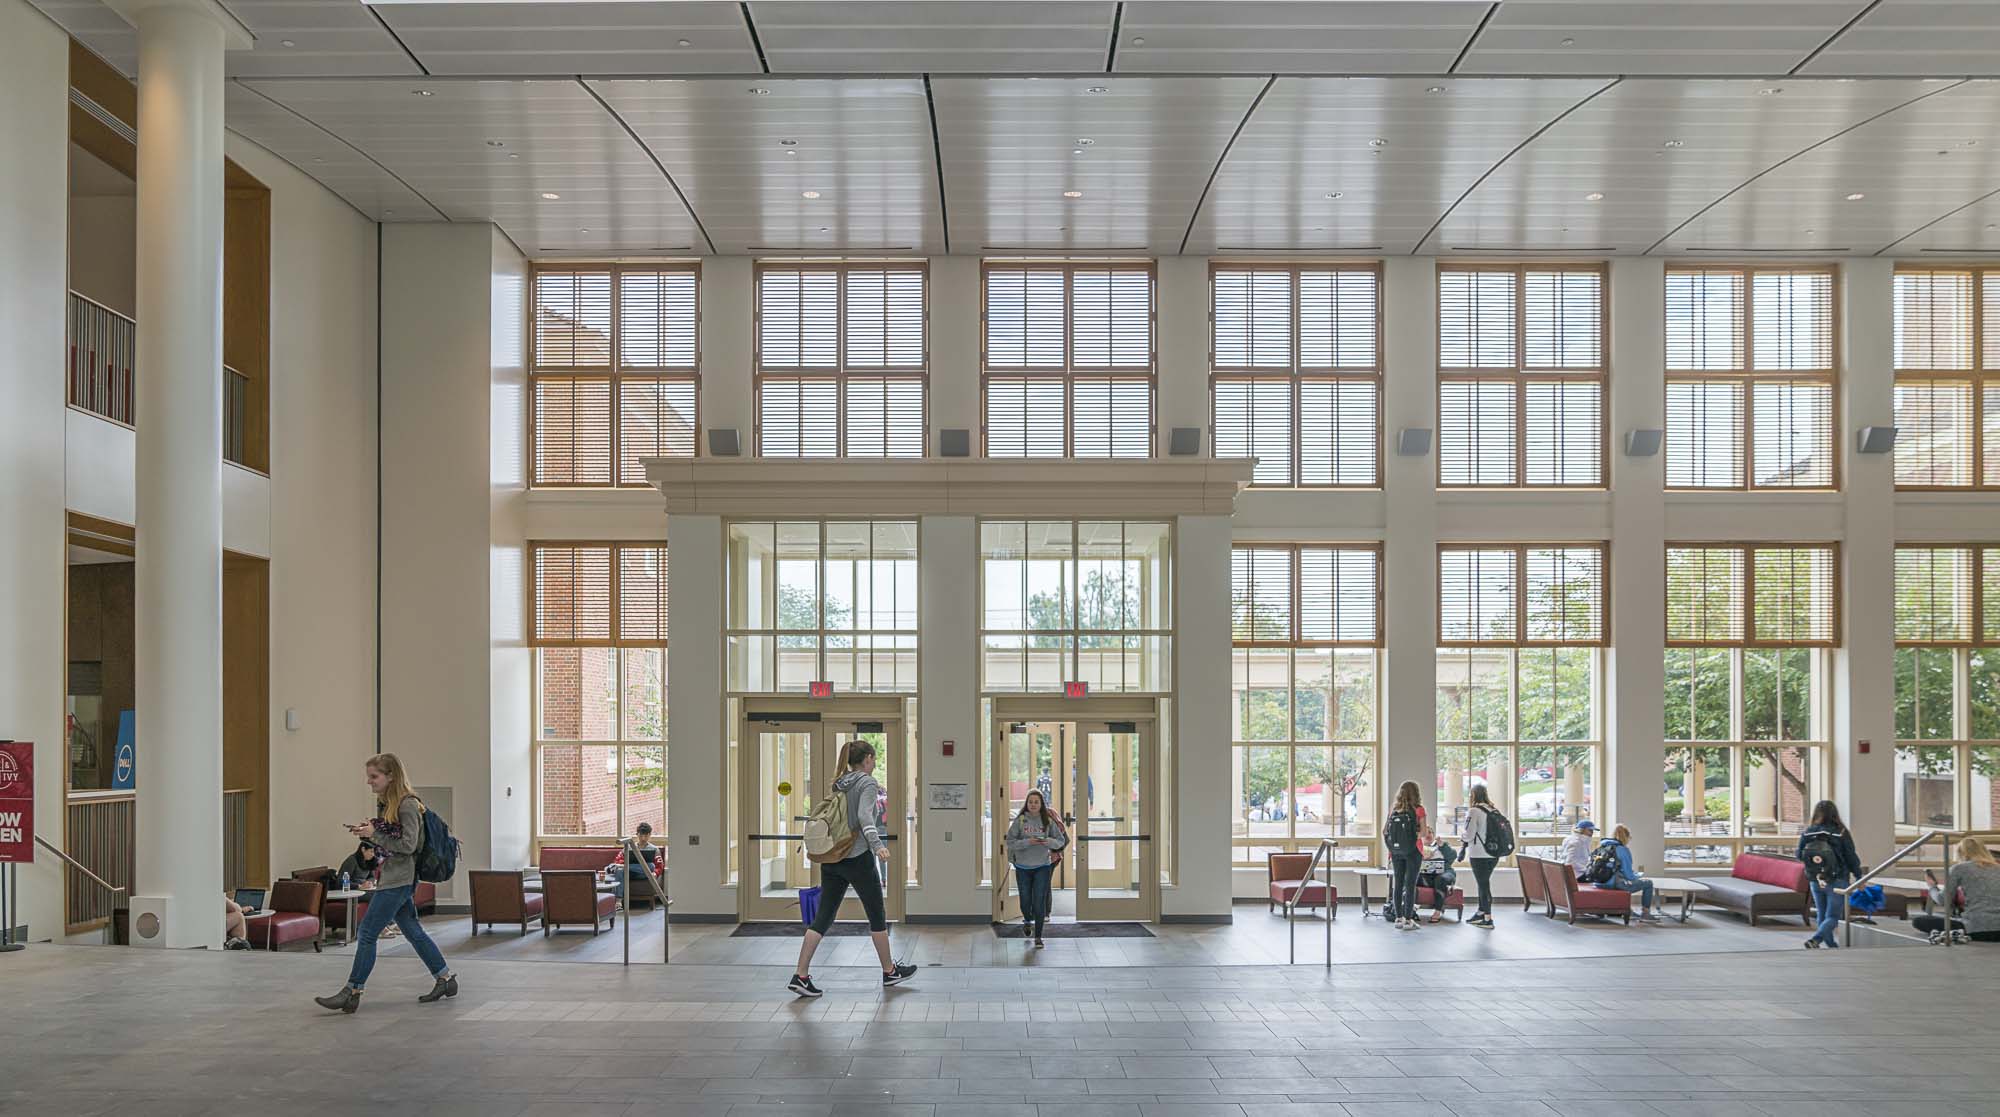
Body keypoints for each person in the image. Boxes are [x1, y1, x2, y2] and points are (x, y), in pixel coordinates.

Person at [314, 753, 456, 1013]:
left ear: (391, 776)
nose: (369, 782)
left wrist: (375, 834)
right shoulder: (389, 805)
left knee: (367, 933)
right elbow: (392, 842)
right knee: (413, 931)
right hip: (392, 877)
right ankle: (445, 978)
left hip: (398, 881)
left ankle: (353, 990)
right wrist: (368, 834)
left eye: (374, 776)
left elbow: (408, 845)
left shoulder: (407, 805)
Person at [788, 740, 917, 997]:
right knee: (876, 915)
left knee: (823, 917)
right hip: (857, 857)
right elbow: (864, 817)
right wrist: (877, 845)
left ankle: (800, 975)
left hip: (833, 858)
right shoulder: (866, 782)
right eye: (874, 758)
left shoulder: (840, 781)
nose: (876, 763)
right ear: (867, 759)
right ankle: (889, 971)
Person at [1005, 788, 1068, 948]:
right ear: (1027, 804)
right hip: (1022, 867)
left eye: (1036, 802)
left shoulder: (1048, 820)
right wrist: (1027, 842)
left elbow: (1060, 841)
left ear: (1041, 804)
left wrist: (1047, 841)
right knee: (1025, 901)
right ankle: (1027, 920)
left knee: (1039, 901)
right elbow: (1010, 842)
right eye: (1030, 802)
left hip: (1042, 866)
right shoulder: (1020, 820)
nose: (1033, 805)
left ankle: (1038, 937)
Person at [1797, 799, 1863, 949]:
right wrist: (1859, 876)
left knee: (1822, 914)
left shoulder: (1808, 832)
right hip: (1837, 878)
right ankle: (1816, 939)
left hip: (1815, 879)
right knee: (1833, 916)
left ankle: (1831, 945)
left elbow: (1799, 855)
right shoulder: (1841, 832)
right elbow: (1850, 856)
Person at [1916, 837, 2000, 944]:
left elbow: (1943, 900)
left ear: (1961, 853)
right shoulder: (1998, 867)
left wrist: (1932, 887)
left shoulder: (1960, 868)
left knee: (1920, 920)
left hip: (1976, 929)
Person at [1598, 824, 1662, 922]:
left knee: (1624, 881)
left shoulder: (1603, 846)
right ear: (1626, 837)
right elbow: (1629, 875)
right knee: (1648, 883)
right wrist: (1638, 876)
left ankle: (1628, 910)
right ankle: (1645, 913)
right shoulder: (1623, 850)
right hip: (1613, 883)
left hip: (1600, 883)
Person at [1385, 780, 1426, 931]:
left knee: (1398, 884)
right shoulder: (1419, 809)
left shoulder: (1394, 809)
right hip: (1413, 851)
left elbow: (1385, 831)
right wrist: (1412, 835)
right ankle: (1408, 920)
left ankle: (1398, 918)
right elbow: (1423, 833)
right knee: (1410, 885)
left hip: (1395, 852)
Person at [1462, 784, 1500, 929]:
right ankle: (1480, 912)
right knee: (1483, 883)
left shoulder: (1474, 811)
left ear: (1473, 795)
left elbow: (1469, 835)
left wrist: (1463, 836)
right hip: (1493, 854)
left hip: (1479, 854)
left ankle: (1488, 918)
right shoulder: (1493, 810)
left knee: (1483, 885)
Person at [1416, 834, 1460, 925]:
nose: (1427, 835)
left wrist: (1442, 846)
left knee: (1441, 879)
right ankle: (1410, 909)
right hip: (1425, 875)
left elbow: (1452, 856)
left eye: (1430, 832)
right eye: (1425, 833)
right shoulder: (1418, 847)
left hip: (1444, 873)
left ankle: (1437, 911)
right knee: (1412, 878)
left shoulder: (1441, 846)